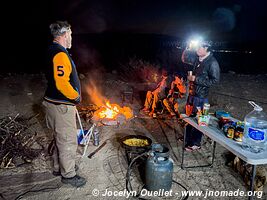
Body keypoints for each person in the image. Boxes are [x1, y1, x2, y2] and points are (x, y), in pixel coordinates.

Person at [42, 21, 86, 187]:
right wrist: (75, 97)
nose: (71, 37)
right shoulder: (60, 54)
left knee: (58, 137)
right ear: (64, 34)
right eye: (70, 34)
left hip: (52, 102)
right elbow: (62, 83)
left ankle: (58, 167)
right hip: (61, 105)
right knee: (67, 140)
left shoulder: (51, 50)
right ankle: (68, 175)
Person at [181, 40, 220, 151]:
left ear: (206, 48)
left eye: (199, 48)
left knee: (199, 119)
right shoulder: (198, 59)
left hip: (202, 96)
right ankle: (188, 138)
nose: (197, 49)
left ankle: (195, 143)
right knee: (190, 116)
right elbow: (184, 59)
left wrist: (196, 79)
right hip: (193, 93)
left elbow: (215, 81)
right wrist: (187, 47)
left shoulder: (212, 62)